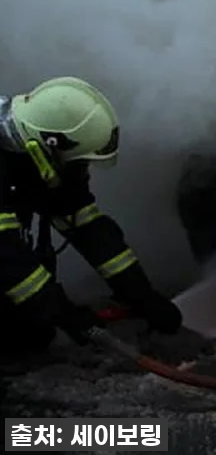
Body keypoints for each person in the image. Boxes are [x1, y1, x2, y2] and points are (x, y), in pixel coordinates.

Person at [0, 76, 182, 356]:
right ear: (47, 145)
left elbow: (85, 224)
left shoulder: (38, 156)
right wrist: (64, 314)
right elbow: (6, 257)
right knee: (24, 325)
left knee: (31, 330)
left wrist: (140, 293)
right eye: (76, 162)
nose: (80, 172)